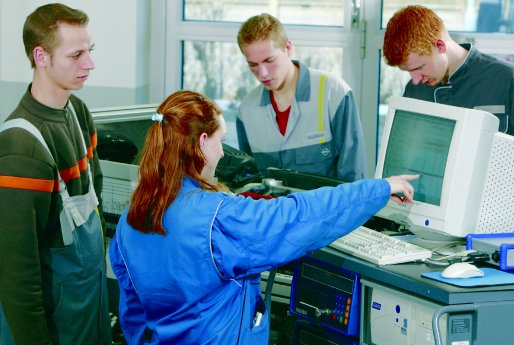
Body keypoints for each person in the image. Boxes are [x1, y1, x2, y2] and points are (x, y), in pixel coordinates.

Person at [109, 89, 417, 344]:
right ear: (202, 143)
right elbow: (299, 216)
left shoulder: (132, 216)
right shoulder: (218, 220)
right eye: (219, 141)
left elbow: (133, 314)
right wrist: (378, 189)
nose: (222, 153)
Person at [0, 3, 111, 345]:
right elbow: (17, 272)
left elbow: (96, 192)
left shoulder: (77, 110)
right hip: (55, 315)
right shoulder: (21, 147)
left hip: (90, 295)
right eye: (76, 54)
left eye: (89, 51)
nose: (89, 63)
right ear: (41, 56)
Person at [236, 13, 368, 181]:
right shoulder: (246, 111)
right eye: (253, 65)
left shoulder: (334, 93)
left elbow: (355, 181)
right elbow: (248, 182)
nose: (262, 73)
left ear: (288, 48)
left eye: (269, 60)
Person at [383, 4, 514, 140]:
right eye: (409, 71)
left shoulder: (512, 81)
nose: (415, 80)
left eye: (419, 67)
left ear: (440, 46)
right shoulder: (413, 93)